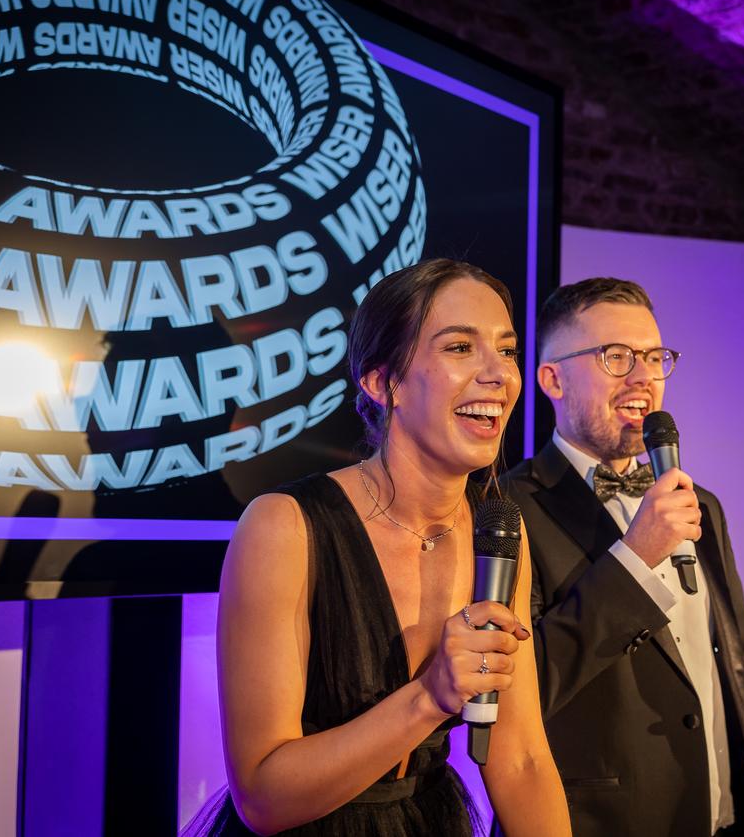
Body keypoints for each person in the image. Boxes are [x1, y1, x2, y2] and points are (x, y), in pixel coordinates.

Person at [209, 260, 572, 836]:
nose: (498, 374)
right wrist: (431, 695)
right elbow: (263, 798)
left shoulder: (499, 531)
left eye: (506, 351)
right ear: (383, 383)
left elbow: (521, 758)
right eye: (459, 348)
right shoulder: (284, 527)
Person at [502, 278, 744, 837]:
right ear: (552, 378)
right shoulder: (507, 509)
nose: (644, 377)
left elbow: (743, 682)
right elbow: (520, 688)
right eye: (617, 356)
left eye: (654, 357)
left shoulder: (698, 504)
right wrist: (634, 558)